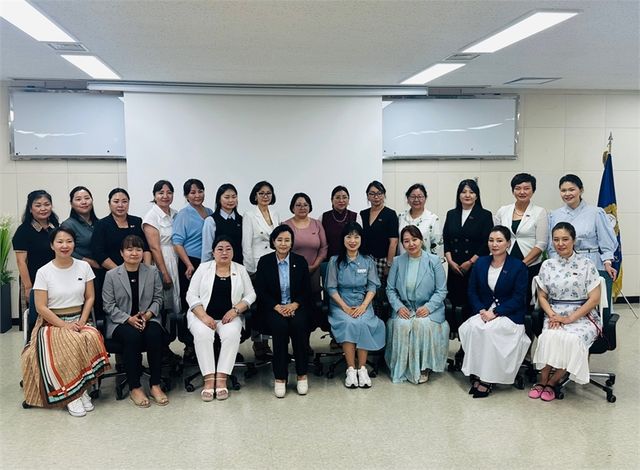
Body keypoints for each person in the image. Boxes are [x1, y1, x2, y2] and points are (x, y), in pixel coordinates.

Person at [21, 227, 110, 417]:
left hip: (79, 318)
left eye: (69, 241)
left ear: (74, 244)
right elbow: (41, 307)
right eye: (60, 241)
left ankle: (81, 389)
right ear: (52, 245)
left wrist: (82, 321)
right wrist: (65, 326)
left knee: (92, 336)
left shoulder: (84, 267)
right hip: (51, 323)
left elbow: (90, 297)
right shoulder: (44, 271)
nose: (65, 245)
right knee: (71, 341)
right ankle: (72, 396)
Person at [529, 222, 603, 402]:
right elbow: (542, 296)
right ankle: (542, 380)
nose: (560, 244)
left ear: (573, 240)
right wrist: (553, 315)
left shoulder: (587, 264)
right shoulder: (547, 265)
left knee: (571, 339)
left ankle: (552, 382)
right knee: (548, 336)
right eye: (556, 240)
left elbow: (594, 299)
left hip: (583, 316)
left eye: (565, 239)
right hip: (554, 313)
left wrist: (569, 319)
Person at [459, 226, 530, 398]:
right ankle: (477, 373)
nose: (494, 244)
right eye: (491, 240)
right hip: (484, 311)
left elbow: (519, 297)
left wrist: (496, 312)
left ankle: (487, 379)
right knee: (470, 327)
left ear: (508, 243)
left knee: (491, 331)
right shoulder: (481, 263)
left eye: (499, 240)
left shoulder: (518, 266)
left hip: (508, 314)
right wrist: (481, 310)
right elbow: (472, 291)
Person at [186, 236, 256, 401]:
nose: (224, 252)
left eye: (228, 249)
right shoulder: (203, 268)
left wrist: (236, 310)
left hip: (229, 317)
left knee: (231, 334)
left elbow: (251, 294)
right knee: (203, 334)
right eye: (220, 249)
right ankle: (209, 379)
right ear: (213, 252)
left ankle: (222, 377)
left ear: (233, 252)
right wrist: (203, 316)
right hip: (202, 316)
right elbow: (191, 294)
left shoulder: (240, 269)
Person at [103, 235, 168, 408]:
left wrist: (147, 315)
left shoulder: (152, 272)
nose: (134, 253)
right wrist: (128, 319)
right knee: (132, 337)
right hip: (120, 321)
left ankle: (155, 384)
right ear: (121, 253)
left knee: (154, 334)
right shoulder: (111, 275)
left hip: (148, 317)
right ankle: (135, 387)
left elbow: (158, 299)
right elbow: (108, 305)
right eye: (129, 249)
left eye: (138, 249)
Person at [385, 225, 449, 384]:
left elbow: (441, 290)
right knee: (402, 325)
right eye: (406, 241)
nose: (411, 244)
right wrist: (399, 307)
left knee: (421, 324)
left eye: (414, 239)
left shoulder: (434, 261)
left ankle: (423, 366)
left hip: (429, 308)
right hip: (405, 307)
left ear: (421, 240)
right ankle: (402, 366)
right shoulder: (398, 261)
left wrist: (428, 307)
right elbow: (390, 289)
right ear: (402, 244)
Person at [255, 225, 312, 398]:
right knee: (279, 327)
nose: (283, 243)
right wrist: (277, 307)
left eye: (287, 240)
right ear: (273, 241)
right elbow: (260, 290)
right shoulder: (265, 262)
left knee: (299, 326)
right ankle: (280, 377)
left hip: (296, 306)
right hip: (273, 307)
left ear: (292, 242)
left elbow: (306, 290)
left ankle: (302, 374)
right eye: (279, 240)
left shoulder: (300, 261)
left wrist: (294, 305)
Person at [326, 222, 385, 389]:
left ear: (361, 239)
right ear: (343, 239)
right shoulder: (335, 261)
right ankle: (351, 369)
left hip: (363, 303)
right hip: (340, 304)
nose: (352, 241)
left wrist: (364, 306)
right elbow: (331, 288)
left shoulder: (368, 261)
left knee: (363, 322)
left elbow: (372, 286)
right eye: (349, 237)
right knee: (349, 322)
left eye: (356, 237)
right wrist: (344, 307)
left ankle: (362, 369)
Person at [442, 179, 494, 334]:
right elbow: (446, 239)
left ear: (477, 196)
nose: (467, 195)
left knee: (472, 303)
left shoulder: (485, 215)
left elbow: (486, 243)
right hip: (454, 266)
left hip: (475, 266)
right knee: (455, 303)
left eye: (471, 192)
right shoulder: (451, 214)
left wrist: (471, 261)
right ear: (458, 195)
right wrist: (450, 261)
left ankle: (471, 338)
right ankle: (458, 336)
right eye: (464, 192)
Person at [171, 179, 214, 362]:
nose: (197, 195)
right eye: (192, 192)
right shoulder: (183, 215)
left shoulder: (210, 212)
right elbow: (177, 242)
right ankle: (190, 346)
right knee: (191, 303)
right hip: (190, 263)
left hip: (209, 263)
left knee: (208, 302)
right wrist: (188, 264)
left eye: (200, 191)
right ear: (186, 195)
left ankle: (209, 341)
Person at [548, 174, 618, 282]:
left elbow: (606, 241)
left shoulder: (596, 212)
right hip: (563, 264)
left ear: (581, 190)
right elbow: (551, 246)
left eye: (571, 190)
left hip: (591, 261)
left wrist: (607, 262)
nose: (567, 194)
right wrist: (555, 265)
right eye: (563, 190)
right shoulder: (554, 215)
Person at [493, 173, 548, 306]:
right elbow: (495, 237)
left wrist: (521, 265)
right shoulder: (503, 211)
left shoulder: (539, 212)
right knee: (503, 300)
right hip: (504, 265)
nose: (522, 192)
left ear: (533, 190)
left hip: (529, 265)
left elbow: (541, 244)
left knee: (525, 302)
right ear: (513, 190)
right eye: (518, 188)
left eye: (526, 188)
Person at [242, 180, 280, 358]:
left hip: (274, 263)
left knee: (270, 302)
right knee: (258, 304)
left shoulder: (275, 213)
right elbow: (246, 244)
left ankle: (268, 340)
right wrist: (250, 269)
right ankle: (258, 342)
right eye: (262, 193)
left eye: (268, 193)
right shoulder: (249, 215)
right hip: (256, 265)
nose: (265, 196)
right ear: (255, 196)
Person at [284, 192, 328, 339]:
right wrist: (301, 268)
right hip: (293, 272)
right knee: (296, 306)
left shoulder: (317, 224)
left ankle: (307, 340)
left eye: (305, 205)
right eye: (298, 205)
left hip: (314, 271)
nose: (302, 207)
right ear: (292, 207)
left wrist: (315, 265)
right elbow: (283, 249)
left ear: (310, 207)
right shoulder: (286, 225)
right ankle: (298, 341)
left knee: (313, 306)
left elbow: (324, 247)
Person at [12, 190, 59, 312]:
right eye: (38, 205)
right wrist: (28, 287)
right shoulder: (23, 231)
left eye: (47, 204)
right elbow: (21, 262)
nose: (43, 208)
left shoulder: (55, 227)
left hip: (54, 278)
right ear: (30, 208)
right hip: (33, 280)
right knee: (35, 315)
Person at [143, 180, 180, 316]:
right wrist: (164, 272)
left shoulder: (176, 214)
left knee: (178, 294)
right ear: (154, 195)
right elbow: (154, 248)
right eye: (161, 193)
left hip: (177, 256)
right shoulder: (151, 217)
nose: (165, 196)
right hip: (163, 257)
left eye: (169, 193)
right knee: (167, 296)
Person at [91, 188, 151, 270]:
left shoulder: (137, 221)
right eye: (116, 202)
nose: (120, 205)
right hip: (112, 272)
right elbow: (99, 253)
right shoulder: (101, 224)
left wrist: (147, 270)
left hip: (138, 271)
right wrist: (120, 272)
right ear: (109, 204)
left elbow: (146, 248)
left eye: (124, 201)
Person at [360, 180, 398, 286]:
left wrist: (389, 264)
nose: (376, 197)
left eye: (379, 193)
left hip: (383, 260)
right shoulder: (363, 214)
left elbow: (394, 242)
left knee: (381, 289)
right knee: (366, 288)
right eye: (372, 194)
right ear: (368, 196)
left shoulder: (390, 214)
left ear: (384, 195)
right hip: (365, 259)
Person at [397, 184, 443, 258]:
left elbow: (438, 246)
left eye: (420, 197)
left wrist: (436, 263)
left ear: (425, 198)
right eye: (413, 197)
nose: (416, 200)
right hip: (402, 261)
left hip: (425, 262)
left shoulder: (433, 219)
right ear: (407, 199)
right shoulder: (400, 217)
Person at [201, 183, 243, 264]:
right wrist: (205, 268)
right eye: (227, 197)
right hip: (218, 266)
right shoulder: (211, 220)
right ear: (219, 199)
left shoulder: (241, 220)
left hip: (238, 265)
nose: (231, 200)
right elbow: (207, 250)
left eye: (234, 197)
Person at [320, 185, 359, 259]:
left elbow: (359, 240)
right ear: (332, 200)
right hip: (329, 259)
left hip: (351, 259)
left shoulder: (356, 217)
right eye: (337, 197)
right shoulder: (323, 217)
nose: (341, 200)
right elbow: (321, 243)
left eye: (344, 197)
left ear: (348, 199)